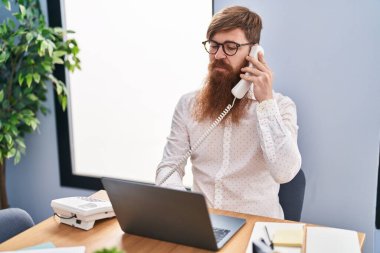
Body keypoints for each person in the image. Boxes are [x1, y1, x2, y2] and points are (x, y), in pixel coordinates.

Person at [155, 6, 301, 219]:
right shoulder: (188, 104)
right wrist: (185, 212)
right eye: (214, 46)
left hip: (256, 230)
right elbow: (168, 167)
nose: (219, 55)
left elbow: (285, 172)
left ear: (254, 53)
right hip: (202, 226)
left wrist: (265, 103)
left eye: (230, 47)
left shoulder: (281, 107)